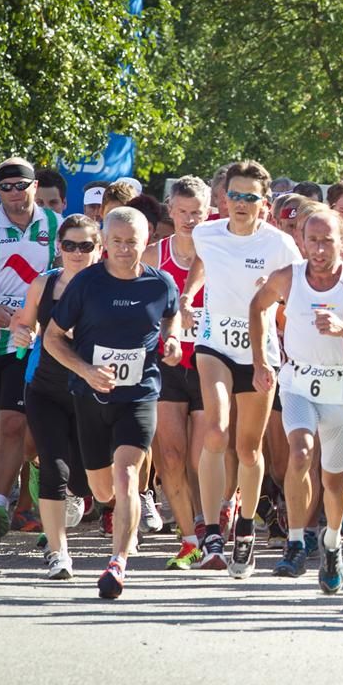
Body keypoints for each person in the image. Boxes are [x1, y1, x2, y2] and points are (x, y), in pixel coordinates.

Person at [251, 205, 343, 591]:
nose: (318, 249)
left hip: (341, 387)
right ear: (301, 241)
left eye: (326, 241)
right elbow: (257, 306)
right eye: (312, 240)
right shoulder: (287, 277)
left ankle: (331, 543)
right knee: (299, 454)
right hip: (297, 382)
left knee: (334, 479)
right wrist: (261, 360)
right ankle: (296, 542)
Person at [43, 207, 182, 598]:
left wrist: (172, 340)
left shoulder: (160, 283)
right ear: (105, 242)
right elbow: (52, 338)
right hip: (90, 396)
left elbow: (172, 316)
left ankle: (117, 563)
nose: (123, 249)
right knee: (103, 490)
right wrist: (86, 370)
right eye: (116, 241)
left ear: (146, 241)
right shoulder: (86, 283)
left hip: (139, 394)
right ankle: (116, 510)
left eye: (131, 242)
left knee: (127, 476)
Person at [179, 160, 301, 574]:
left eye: (250, 197)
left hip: (259, 353)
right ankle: (212, 530)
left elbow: (296, 290)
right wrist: (188, 296)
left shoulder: (279, 245)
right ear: (223, 198)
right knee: (215, 432)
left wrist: (276, 298)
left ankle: (245, 527)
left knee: (248, 448)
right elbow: (202, 261)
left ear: (264, 203)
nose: (241, 203)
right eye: (235, 195)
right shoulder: (206, 232)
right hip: (214, 345)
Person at [0, 158, 61, 547]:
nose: (14, 194)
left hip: (33, 344)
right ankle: (5, 485)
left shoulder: (56, 226)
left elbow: (69, 279)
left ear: (34, 186)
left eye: (21, 185)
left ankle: (2, 503)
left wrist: (39, 319)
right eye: (5, 188)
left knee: (13, 426)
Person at [10, 215, 103, 578]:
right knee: (54, 466)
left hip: (90, 391)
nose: (77, 253)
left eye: (85, 246)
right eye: (69, 245)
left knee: (84, 479)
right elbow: (24, 321)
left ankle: (76, 492)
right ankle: (58, 552)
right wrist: (23, 333)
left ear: (99, 249)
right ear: (58, 248)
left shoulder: (109, 285)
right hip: (45, 388)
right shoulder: (43, 283)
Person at [143, 176, 212, 569]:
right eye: (182, 212)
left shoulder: (219, 254)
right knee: (170, 455)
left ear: (208, 212)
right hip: (167, 364)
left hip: (210, 364)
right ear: (170, 210)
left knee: (202, 458)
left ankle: (208, 522)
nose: (189, 220)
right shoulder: (154, 256)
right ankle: (189, 539)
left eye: (197, 213)